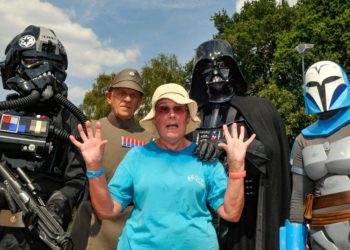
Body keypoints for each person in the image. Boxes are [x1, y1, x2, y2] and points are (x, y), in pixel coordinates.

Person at [70, 83, 256, 250]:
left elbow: (231, 213)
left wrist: (237, 166)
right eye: (164, 109)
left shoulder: (204, 158)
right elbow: (106, 210)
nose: (171, 114)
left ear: (187, 117)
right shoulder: (137, 156)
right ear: (155, 119)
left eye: (178, 109)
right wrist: (94, 166)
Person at [189, 39, 291, 250]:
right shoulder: (192, 117)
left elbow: (271, 156)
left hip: (247, 219)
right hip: (201, 215)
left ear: (233, 69)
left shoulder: (257, 109)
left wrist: (227, 148)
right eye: (208, 67)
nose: (215, 72)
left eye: (222, 65)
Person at [0, 25, 86, 249]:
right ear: (15, 65)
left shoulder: (70, 119)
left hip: (45, 232)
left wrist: (59, 203)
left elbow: (77, 178)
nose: (45, 70)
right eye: (33, 61)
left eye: (53, 65)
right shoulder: (3, 114)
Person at [70, 68, 152, 250]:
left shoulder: (150, 138)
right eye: (122, 93)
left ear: (139, 102)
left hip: (134, 228)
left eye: (133, 95)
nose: (128, 99)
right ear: (109, 97)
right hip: (93, 227)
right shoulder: (90, 130)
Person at [284, 60, 350, 249]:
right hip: (321, 234)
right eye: (314, 85)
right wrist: (294, 244)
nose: (321, 89)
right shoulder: (302, 140)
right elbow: (299, 196)